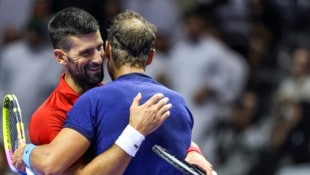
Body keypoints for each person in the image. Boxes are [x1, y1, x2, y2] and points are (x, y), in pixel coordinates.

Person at [13, 7, 213, 175]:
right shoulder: (47, 117)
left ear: (107, 48)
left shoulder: (102, 98)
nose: (98, 59)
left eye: (99, 48)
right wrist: (28, 154)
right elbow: (54, 165)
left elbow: (166, 133)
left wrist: (192, 150)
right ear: (60, 57)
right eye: (86, 53)